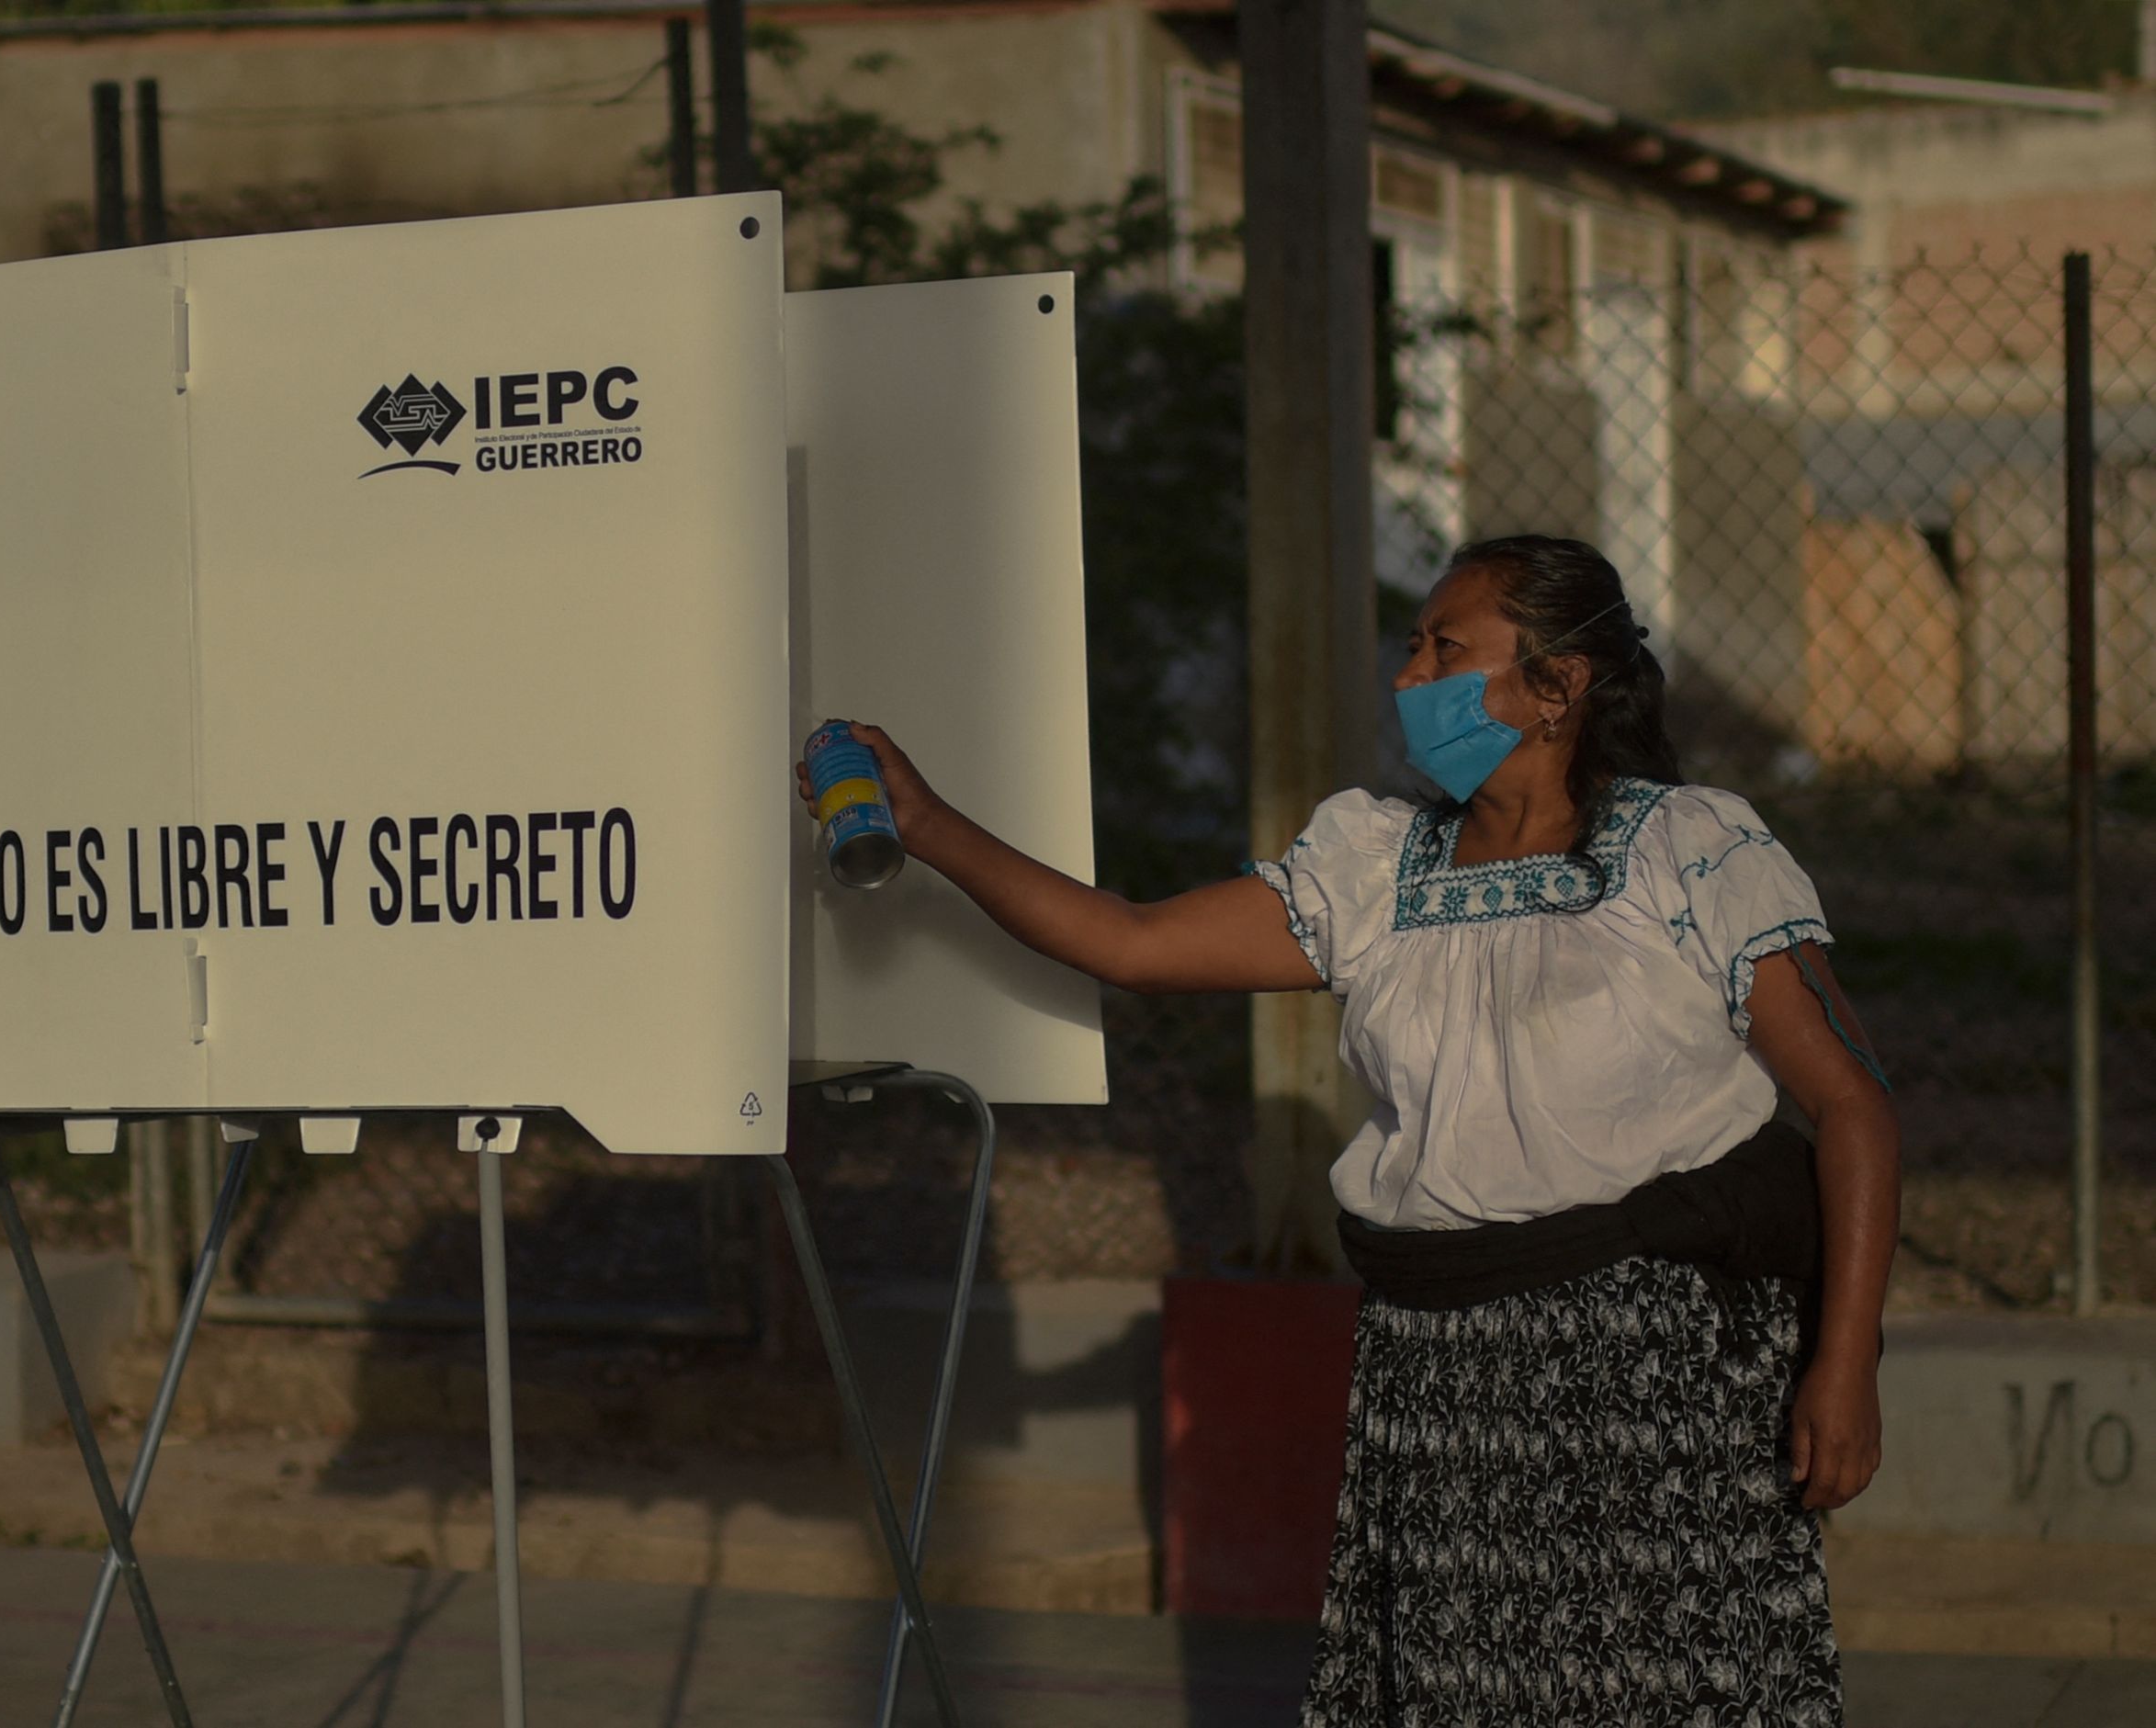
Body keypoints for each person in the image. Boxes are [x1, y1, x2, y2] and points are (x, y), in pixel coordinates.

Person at [798, 535, 1896, 1726]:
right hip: (1439, 1381)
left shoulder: (1690, 849)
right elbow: (1128, 941)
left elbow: (1850, 1109)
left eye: (1445, 648)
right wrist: (928, 822)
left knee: (1668, 1689)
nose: (1407, 675)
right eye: (1409, 645)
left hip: (1650, 1379)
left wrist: (1842, 1365)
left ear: (1557, 684)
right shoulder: (1372, 868)